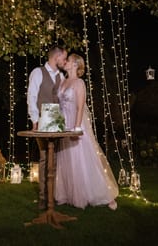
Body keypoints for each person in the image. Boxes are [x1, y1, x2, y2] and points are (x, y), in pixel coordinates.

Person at [55, 53, 118, 210]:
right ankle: (70, 194)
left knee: (84, 158)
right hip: (64, 124)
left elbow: (80, 106)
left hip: (76, 123)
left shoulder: (79, 83)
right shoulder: (63, 82)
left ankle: (104, 194)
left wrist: (76, 128)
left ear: (76, 64)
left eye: (68, 60)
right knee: (67, 157)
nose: (66, 62)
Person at [27, 45, 67, 209]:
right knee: (44, 157)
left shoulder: (62, 77)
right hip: (42, 121)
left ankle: (53, 194)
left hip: (57, 122)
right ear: (55, 57)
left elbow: (64, 100)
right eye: (63, 58)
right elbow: (32, 96)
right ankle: (43, 197)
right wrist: (35, 120)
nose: (64, 61)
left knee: (55, 159)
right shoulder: (38, 72)